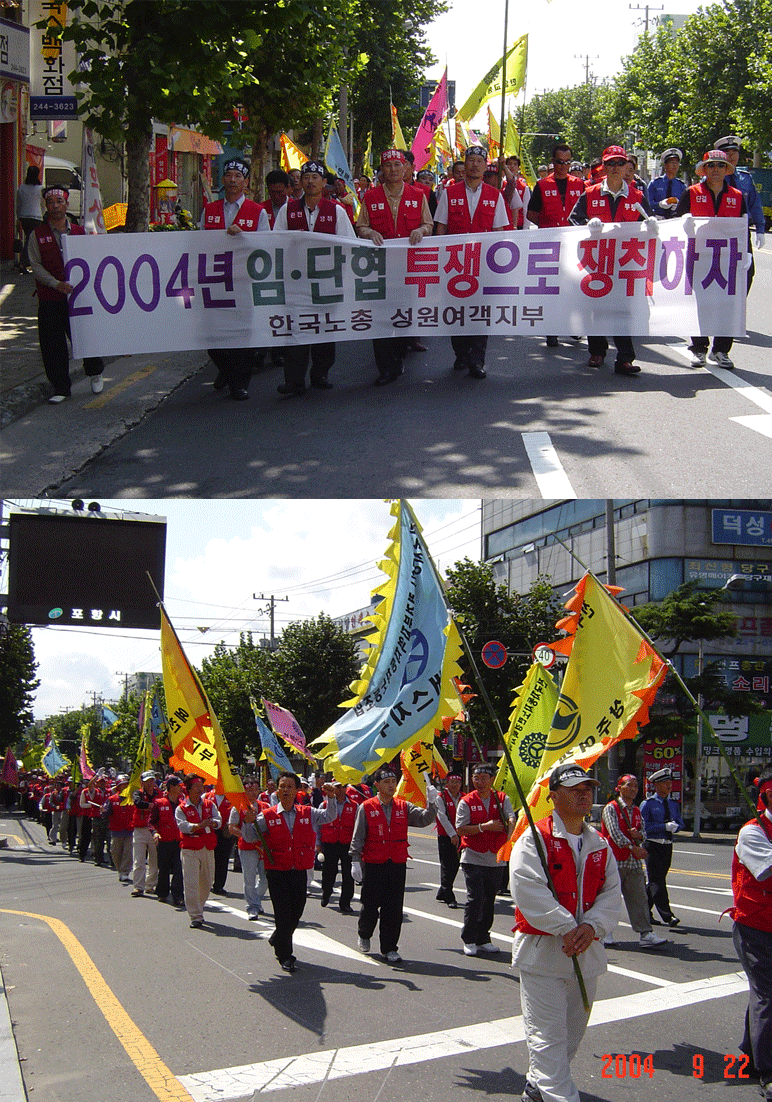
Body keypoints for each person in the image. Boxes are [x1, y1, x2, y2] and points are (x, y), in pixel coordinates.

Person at [510, 763, 621, 1102]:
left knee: (572, 1035)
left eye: (587, 787)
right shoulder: (533, 839)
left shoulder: (599, 843)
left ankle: (536, 1086)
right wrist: (568, 927)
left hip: (584, 952)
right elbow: (527, 888)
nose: (583, 793)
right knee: (548, 1038)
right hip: (544, 952)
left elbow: (610, 892)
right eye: (574, 789)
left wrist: (591, 927)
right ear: (553, 796)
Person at [272, 160, 357, 397]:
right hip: (296, 282)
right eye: (306, 177)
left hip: (327, 282)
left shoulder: (336, 211)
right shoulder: (287, 210)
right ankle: (294, 381)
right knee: (296, 331)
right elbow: (274, 241)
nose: (310, 181)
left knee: (325, 330)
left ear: (323, 183)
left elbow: (349, 244)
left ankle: (320, 374)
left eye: (315, 178)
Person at [569, 145, 655, 376]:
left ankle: (625, 358)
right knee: (597, 307)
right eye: (611, 163)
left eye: (620, 163)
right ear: (604, 167)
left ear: (627, 166)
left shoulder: (637, 196)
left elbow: (649, 222)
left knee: (623, 309)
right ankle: (597, 351)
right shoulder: (590, 193)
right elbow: (573, 221)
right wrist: (588, 226)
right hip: (597, 262)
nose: (616, 168)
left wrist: (653, 226)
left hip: (626, 263)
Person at [241, 771, 337, 972]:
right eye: (282, 786)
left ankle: (277, 937)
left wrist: (331, 797)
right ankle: (285, 954)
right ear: (277, 789)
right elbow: (250, 837)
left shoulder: (307, 812)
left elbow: (329, 816)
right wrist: (248, 821)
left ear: (297, 790)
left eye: (290, 786)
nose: (286, 790)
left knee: (297, 909)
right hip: (277, 870)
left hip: (299, 869)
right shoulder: (266, 815)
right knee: (283, 914)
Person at [356, 148, 433, 385]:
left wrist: (420, 230)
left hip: (408, 267)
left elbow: (428, 223)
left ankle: (398, 356)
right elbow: (360, 227)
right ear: (381, 170)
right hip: (379, 267)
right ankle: (385, 368)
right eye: (388, 166)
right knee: (380, 317)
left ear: (406, 169)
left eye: (397, 165)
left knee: (403, 315)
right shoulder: (370, 197)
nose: (393, 170)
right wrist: (370, 232)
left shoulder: (418, 195)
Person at [434, 146, 512, 380]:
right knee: (457, 313)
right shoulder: (450, 193)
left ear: (485, 165)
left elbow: (499, 231)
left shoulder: (494, 195)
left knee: (480, 314)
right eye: (471, 161)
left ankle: (477, 360)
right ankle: (461, 353)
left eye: (480, 161)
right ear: (464, 164)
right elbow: (441, 228)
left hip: (484, 265)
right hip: (455, 264)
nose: (475, 165)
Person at [350, 765, 438, 963]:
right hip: (373, 863)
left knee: (393, 907)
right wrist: (355, 861)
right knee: (370, 905)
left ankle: (389, 947)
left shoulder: (403, 806)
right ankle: (364, 934)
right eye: (386, 782)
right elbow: (358, 837)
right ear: (377, 785)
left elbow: (424, 820)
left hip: (396, 863)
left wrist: (432, 803)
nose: (391, 785)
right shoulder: (366, 807)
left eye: (393, 782)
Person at [200, 157, 269, 401]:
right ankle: (227, 371)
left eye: (238, 176)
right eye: (228, 175)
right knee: (213, 335)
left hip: (244, 282)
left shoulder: (257, 212)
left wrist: (244, 238)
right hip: (215, 282)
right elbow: (200, 245)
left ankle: (239, 384)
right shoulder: (208, 210)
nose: (232, 180)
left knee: (242, 334)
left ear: (246, 182)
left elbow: (266, 246)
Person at [29, 186, 106, 403]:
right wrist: (55, 284)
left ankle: (95, 371)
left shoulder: (80, 232)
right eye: (51, 202)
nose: (55, 206)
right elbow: (35, 264)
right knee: (52, 343)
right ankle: (61, 387)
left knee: (85, 336)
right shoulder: (38, 234)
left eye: (59, 202)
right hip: (50, 296)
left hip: (79, 297)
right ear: (46, 206)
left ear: (66, 205)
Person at [675, 149, 750, 369]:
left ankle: (721, 350)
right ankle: (698, 348)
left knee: (728, 303)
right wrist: (685, 221)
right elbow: (676, 222)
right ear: (704, 169)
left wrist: (748, 254)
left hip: (728, 260)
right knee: (699, 303)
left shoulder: (737, 196)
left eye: (719, 165)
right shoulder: (691, 192)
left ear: (727, 170)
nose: (715, 170)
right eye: (711, 165)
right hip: (698, 258)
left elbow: (744, 227)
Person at [728, 767, 772, 1100]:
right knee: (767, 995)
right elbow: (765, 870)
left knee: (764, 992)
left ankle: (750, 1051)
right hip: (756, 926)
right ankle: (767, 1069)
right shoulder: (753, 833)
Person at [527, 143, 586, 348]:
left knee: (575, 286)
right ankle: (551, 329)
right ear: (553, 162)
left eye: (567, 162)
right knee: (552, 288)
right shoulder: (542, 185)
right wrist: (547, 226)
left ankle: (575, 327)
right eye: (560, 162)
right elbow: (531, 213)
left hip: (574, 245)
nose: (563, 166)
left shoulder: (580, 184)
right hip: (550, 245)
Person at [600, 775, 666, 948]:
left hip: (633, 862)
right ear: (619, 788)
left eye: (636, 786)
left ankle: (646, 933)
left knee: (639, 897)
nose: (633, 789)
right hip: (615, 860)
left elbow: (643, 831)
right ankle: (606, 931)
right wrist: (632, 846)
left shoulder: (636, 810)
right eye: (629, 785)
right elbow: (614, 834)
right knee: (610, 898)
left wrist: (640, 837)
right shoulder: (611, 808)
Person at [456, 763, 516, 955]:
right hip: (473, 856)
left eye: (484, 778)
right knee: (475, 898)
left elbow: (510, 817)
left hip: (495, 857)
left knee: (489, 899)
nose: (480, 782)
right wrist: (484, 826)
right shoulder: (466, 801)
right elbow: (461, 828)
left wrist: (510, 831)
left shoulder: (501, 798)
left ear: (491, 780)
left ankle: (483, 937)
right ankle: (470, 938)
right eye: (476, 778)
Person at [175, 773, 221, 929]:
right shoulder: (181, 808)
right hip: (190, 848)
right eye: (196, 786)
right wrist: (199, 826)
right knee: (191, 882)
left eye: (201, 786)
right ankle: (195, 915)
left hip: (207, 846)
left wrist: (213, 823)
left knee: (207, 882)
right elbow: (183, 826)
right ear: (188, 789)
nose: (199, 789)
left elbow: (218, 820)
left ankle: (199, 907)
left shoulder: (209, 804)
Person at [640, 767, 684, 927]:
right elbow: (643, 827)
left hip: (667, 845)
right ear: (656, 785)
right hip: (653, 845)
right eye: (665, 782)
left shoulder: (672, 804)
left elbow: (680, 822)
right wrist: (663, 827)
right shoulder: (648, 804)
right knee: (657, 880)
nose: (669, 785)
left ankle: (643, 910)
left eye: (670, 782)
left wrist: (675, 827)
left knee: (656, 881)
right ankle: (668, 915)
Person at [228, 776, 267, 920]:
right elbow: (231, 827)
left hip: (263, 847)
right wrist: (245, 835)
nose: (252, 792)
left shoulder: (265, 806)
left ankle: (256, 900)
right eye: (249, 789)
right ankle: (252, 906)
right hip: (247, 848)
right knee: (249, 878)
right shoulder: (238, 806)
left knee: (265, 878)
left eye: (255, 789)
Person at [319, 780, 358, 913]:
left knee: (348, 874)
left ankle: (345, 902)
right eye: (337, 787)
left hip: (347, 844)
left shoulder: (354, 806)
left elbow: (359, 827)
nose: (340, 790)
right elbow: (317, 826)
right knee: (329, 872)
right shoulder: (324, 804)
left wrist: (358, 846)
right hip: (330, 843)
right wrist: (318, 844)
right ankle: (326, 893)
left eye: (343, 787)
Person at [149, 774, 184, 907]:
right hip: (164, 840)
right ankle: (162, 893)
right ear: (171, 787)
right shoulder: (159, 803)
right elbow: (151, 822)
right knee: (163, 868)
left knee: (179, 869)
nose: (181, 788)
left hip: (179, 841)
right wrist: (155, 833)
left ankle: (178, 896)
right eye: (178, 786)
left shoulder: (183, 803)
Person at [435, 771, 464, 908]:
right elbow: (442, 817)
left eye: (457, 782)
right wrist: (452, 834)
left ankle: (443, 890)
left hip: (461, 835)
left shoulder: (464, 797)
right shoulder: (441, 797)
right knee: (447, 865)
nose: (455, 785)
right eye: (452, 782)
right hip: (446, 836)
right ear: (447, 783)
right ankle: (448, 895)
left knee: (456, 864)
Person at [131, 770, 160, 897]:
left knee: (154, 859)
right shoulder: (138, 793)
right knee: (139, 860)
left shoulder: (159, 793)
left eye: (152, 781)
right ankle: (138, 886)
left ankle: (150, 885)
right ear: (142, 782)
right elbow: (138, 803)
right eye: (147, 781)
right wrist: (150, 805)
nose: (150, 783)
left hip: (154, 830)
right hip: (140, 829)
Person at [104, 774, 135, 883]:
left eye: (126, 785)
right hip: (116, 829)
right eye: (122, 785)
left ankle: (125, 872)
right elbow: (107, 813)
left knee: (128, 852)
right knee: (115, 851)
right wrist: (104, 811)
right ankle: (119, 869)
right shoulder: (112, 799)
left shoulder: (132, 798)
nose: (124, 787)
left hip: (129, 829)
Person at [16, 164, 44, 273]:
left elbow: (18, 203)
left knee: (29, 238)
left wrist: (18, 218)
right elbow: (43, 204)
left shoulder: (21, 188)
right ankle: (24, 262)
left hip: (24, 216)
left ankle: (26, 262)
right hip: (36, 216)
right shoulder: (40, 189)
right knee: (31, 240)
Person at [647, 148, 686, 219]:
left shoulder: (681, 185)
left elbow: (686, 206)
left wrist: (678, 204)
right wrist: (659, 204)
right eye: (671, 162)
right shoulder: (655, 183)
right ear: (665, 165)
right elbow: (647, 204)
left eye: (676, 162)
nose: (674, 165)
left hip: (675, 220)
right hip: (659, 220)